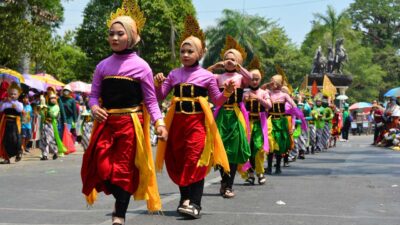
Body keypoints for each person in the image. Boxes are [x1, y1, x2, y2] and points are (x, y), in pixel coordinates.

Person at [80, 4, 167, 224]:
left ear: (132, 36)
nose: (115, 38)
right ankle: (119, 203)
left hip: (131, 124)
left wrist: (159, 122)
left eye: (120, 33)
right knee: (101, 166)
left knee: (123, 171)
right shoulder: (102, 66)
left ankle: (119, 214)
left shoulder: (142, 67)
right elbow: (93, 96)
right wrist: (93, 108)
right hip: (106, 123)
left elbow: (150, 100)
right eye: (111, 34)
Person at [154, 15, 231, 218]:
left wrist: (228, 92)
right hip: (176, 125)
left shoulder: (207, 76)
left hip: (197, 124)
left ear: (200, 53)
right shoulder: (173, 74)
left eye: (190, 51)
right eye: (183, 51)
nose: (186, 54)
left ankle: (195, 203)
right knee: (179, 161)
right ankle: (184, 200)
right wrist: (156, 84)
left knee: (195, 160)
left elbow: (218, 100)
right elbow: (159, 96)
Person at [208, 35, 252, 198]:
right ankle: (223, 180)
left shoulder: (241, 77)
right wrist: (215, 65)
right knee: (220, 149)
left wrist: (239, 66)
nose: (229, 61)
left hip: (236, 115)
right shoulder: (217, 77)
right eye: (227, 58)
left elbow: (251, 79)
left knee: (233, 151)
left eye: (232, 58)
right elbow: (201, 76)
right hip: (220, 115)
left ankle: (229, 186)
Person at [242, 58, 271, 185]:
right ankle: (250, 174)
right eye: (252, 79)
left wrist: (258, 98)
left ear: (260, 80)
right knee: (247, 149)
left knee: (259, 149)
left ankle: (260, 173)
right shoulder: (244, 93)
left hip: (259, 124)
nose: (254, 81)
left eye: (257, 79)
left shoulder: (264, 93)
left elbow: (269, 106)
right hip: (247, 124)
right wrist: (243, 100)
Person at [266, 75, 297, 174]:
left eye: (274, 82)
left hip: (281, 121)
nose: (272, 83)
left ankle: (278, 167)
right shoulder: (268, 93)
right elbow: (260, 90)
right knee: (271, 144)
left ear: (279, 84)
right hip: (270, 121)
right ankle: (269, 167)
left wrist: (292, 118)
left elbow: (294, 105)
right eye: (271, 81)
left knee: (280, 144)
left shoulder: (284, 95)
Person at [0, 82, 23, 164]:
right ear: (8, 94)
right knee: (6, 140)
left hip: (15, 124)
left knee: (15, 139)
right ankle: (7, 158)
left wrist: (12, 103)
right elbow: (1, 109)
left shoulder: (19, 104)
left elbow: (19, 110)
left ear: (18, 95)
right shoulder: (5, 103)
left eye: (14, 94)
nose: (12, 95)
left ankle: (18, 153)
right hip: (6, 123)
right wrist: (3, 102)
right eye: (11, 94)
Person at [39, 92, 66, 160]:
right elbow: (41, 116)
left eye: (54, 98)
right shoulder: (45, 106)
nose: (53, 99)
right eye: (51, 98)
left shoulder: (56, 107)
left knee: (50, 140)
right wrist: (42, 110)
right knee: (43, 139)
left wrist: (47, 109)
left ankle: (55, 152)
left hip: (51, 124)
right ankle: (44, 155)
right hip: (44, 124)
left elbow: (53, 115)